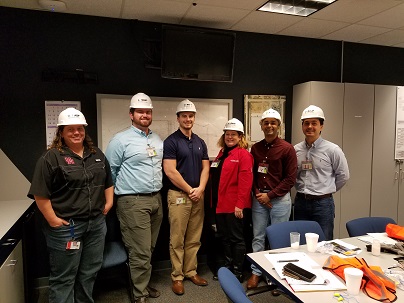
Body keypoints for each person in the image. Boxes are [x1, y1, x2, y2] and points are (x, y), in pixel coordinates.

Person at [28, 108, 114, 303]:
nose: (77, 133)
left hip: (96, 225)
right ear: (61, 132)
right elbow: (39, 193)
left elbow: (108, 180)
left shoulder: (96, 154)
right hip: (67, 228)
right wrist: (53, 220)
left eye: (80, 129)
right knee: (64, 278)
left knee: (89, 272)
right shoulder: (51, 158)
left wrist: (109, 202)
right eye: (71, 129)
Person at [105, 93, 163, 303]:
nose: (145, 115)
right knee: (139, 250)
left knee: (149, 248)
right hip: (132, 201)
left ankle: (143, 285)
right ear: (131, 114)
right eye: (140, 111)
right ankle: (140, 294)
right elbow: (109, 172)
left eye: (148, 111)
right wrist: (111, 201)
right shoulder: (120, 140)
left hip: (156, 199)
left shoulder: (156, 138)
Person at [163, 99, 210, 295]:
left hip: (198, 196)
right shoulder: (171, 141)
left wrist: (200, 189)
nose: (188, 119)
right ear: (178, 118)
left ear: (194, 118)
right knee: (177, 239)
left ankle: (191, 271)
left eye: (191, 116)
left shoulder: (200, 142)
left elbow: (206, 167)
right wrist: (191, 189)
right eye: (184, 116)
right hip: (179, 197)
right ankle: (177, 276)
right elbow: (170, 170)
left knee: (194, 238)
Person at [247, 108, 297, 290]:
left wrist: (270, 195)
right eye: (266, 122)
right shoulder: (256, 148)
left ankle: (277, 276)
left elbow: (290, 179)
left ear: (278, 126)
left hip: (280, 201)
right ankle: (256, 271)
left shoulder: (287, 149)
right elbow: (250, 174)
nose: (269, 126)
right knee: (258, 237)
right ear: (261, 125)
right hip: (259, 198)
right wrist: (259, 194)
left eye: (273, 122)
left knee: (278, 239)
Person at [294, 105, 349, 240]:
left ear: (321, 126)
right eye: (306, 123)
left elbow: (343, 175)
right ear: (302, 126)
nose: (310, 127)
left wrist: (326, 190)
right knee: (301, 242)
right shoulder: (296, 150)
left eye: (314, 123)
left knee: (324, 242)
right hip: (301, 202)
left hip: (323, 204)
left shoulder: (332, 150)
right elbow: (293, 174)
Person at [210, 118, 253, 282]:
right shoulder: (222, 153)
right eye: (227, 134)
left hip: (235, 206)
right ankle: (228, 269)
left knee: (236, 239)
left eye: (233, 134)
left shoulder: (244, 155)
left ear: (240, 136)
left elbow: (245, 182)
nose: (229, 137)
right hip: (220, 205)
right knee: (225, 238)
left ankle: (237, 271)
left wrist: (239, 205)